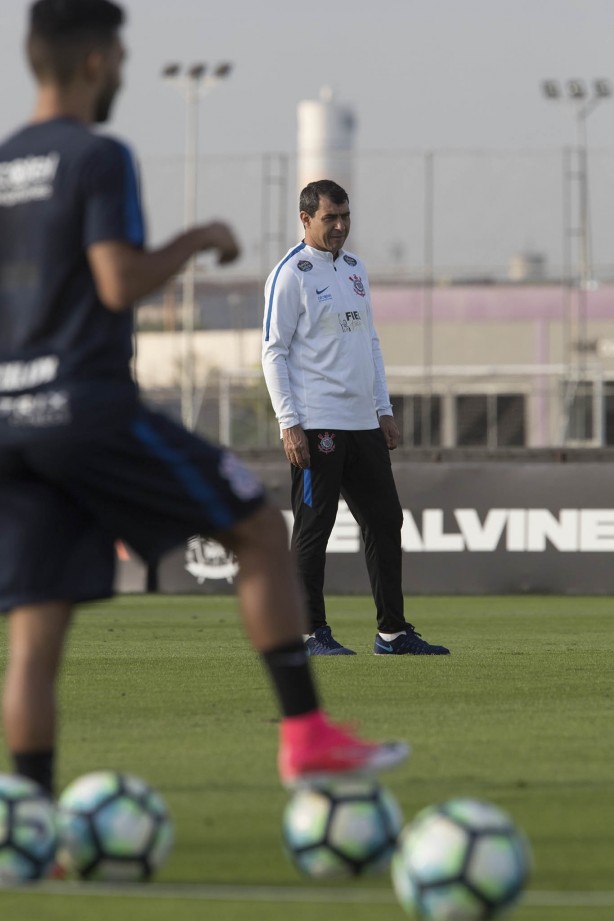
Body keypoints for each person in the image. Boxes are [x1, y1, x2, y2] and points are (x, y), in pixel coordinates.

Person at [0, 0, 409, 798]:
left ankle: (28, 819)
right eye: (118, 57)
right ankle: (307, 738)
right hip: (85, 406)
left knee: (35, 636)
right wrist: (197, 240)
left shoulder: (7, 163)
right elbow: (118, 280)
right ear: (94, 62)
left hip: (12, 415)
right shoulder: (97, 156)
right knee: (259, 527)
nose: (121, 70)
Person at [262, 179, 450, 657]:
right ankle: (308, 633)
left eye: (345, 217)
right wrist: (289, 422)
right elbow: (273, 352)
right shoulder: (291, 274)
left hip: (362, 423)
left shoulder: (354, 269)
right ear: (305, 219)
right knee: (313, 528)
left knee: (385, 520)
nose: (341, 226)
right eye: (331, 218)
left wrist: (383, 409)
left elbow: (369, 343)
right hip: (316, 424)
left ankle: (393, 632)